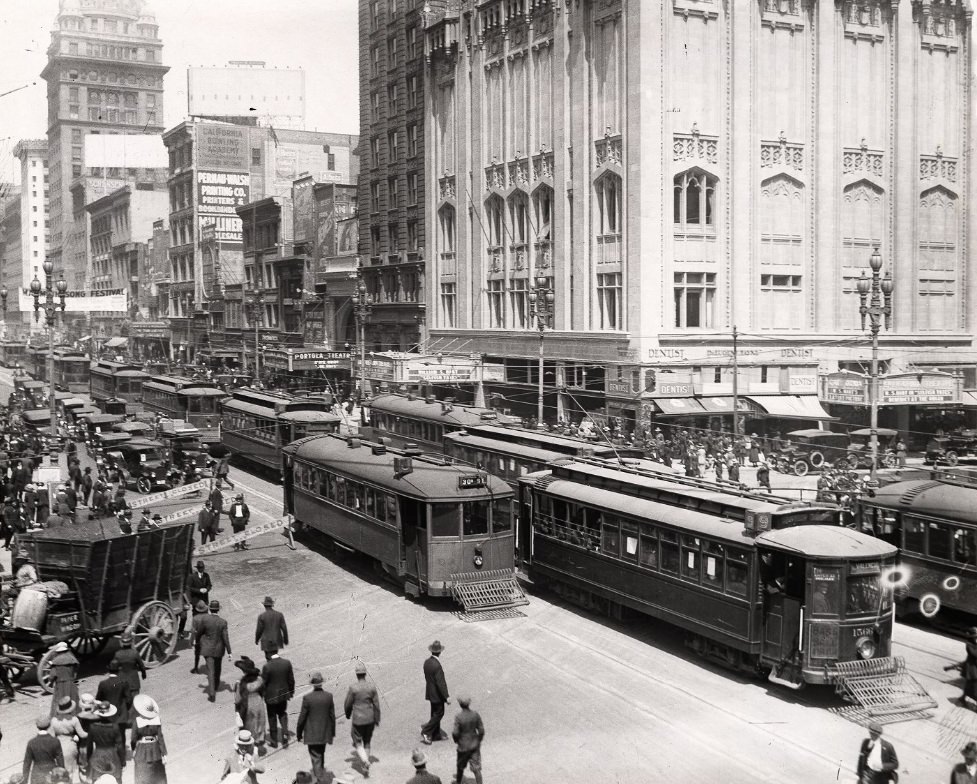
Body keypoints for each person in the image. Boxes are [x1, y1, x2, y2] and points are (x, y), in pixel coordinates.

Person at [296, 671, 335, 784]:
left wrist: (299, 734)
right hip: (324, 734)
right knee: (320, 755)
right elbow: (332, 716)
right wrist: (332, 733)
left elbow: (302, 718)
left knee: (315, 757)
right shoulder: (328, 696)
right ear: (321, 683)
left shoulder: (307, 698)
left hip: (311, 735)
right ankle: (320, 775)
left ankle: (320, 780)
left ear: (312, 684)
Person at [344, 662, 380, 776]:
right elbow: (376, 704)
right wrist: (377, 718)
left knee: (357, 741)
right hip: (370, 719)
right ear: (365, 674)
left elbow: (348, 704)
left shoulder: (353, 688)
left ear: (356, 674)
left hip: (358, 720)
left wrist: (348, 714)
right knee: (367, 741)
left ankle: (365, 761)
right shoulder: (372, 687)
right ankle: (365, 766)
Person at [194, 599, 232, 702]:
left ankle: (212, 694)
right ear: (218, 610)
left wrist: (197, 641)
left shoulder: (205, 620)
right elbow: (225, 638)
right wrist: (229, 652)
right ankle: (216, 686)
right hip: (219, 649)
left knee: (210, 670)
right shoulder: (223, 622)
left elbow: (199, 633)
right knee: (218, 668)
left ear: (210, 609)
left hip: (207, 648)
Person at [234, 656, 268, 757]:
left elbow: (238, 699)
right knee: (259, 723)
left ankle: (249, 748)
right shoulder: (259, 679)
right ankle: (258, 744)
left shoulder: (241, 683)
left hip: (248, 705)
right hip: (258, 702)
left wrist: (237, 710)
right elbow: (263, 692)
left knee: (249, 725)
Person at [50, 695, 88, 784]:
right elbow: (82, 734)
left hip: (58, 746)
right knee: (71, 770)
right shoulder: (74, 720)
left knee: (60, 771)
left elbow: (52, 736)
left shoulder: (54, 720)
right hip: (70, 745)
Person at [261, 651, 295, 750]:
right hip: (283, 695)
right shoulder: (286, 663)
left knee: (272, 718)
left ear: (268, 655)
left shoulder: (267, 666)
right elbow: (291, 680)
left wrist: (263, 694)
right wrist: (291, 692)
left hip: (271, 697)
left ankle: (274, 741)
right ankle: (285, 732)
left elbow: (263, 683)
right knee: (282, 713)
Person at [130, 694, 167, 784]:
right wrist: (164, 753)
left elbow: (133, 738)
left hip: (142, 749)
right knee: (158, 774)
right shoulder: (157, 720)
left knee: (142, 774)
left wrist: (134, 748)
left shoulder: (137, 722)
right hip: (155, 749)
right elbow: (160, 737)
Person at [95, 659, 133, 746]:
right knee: (121, 737)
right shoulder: (124, 682)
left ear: (108, 670)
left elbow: (98, 699)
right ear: (119, 669)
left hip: (108, 715)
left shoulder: (103, 684)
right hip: (121, 715)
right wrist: (124, 709)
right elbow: (129, 699)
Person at [85, 701, 125, 784]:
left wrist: (89, 759)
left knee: (97, 779)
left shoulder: (93, 727)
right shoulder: (114, 727)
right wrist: (122, 761)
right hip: (112, 755)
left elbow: (89, 746)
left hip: (98, 754)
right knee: (115, 779)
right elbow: (120, 745)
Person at [420, 640, 450, 745]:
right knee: (439, 713)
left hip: (430, 692)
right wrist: (447, 696)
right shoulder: (437, 666)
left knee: (434, 713)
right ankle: (427, 731)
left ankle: (436, 734)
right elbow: (441, 683)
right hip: (437, 695)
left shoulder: (427, 662)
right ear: (440, 652)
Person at [451, 695, 484, 784]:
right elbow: (481, 730)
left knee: (460, 767)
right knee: (477, 769)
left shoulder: (459, 717)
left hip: (463, 746)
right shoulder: (475, 714)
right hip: (474, 745)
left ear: (460, 705)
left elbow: (455, 733)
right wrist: (478, 740)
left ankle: (458, 782)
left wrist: (456, 740)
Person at [22, 716, 64, 784]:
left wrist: (24, 781)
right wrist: (62, 777)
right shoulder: (55, 741)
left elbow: (27, 763)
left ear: (37, 726)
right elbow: (60, 760)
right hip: (51, 773)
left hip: (37, 775)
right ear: (49, 725)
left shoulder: (31, 742)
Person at [48, 642, 81, 718]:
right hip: (71, 683)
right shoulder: (72, 659)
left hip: (60, 684)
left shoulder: (55, 662)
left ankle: (60, 717)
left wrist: (51, 681)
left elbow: (52, 676)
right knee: (73, 699)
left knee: (60, 701)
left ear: (58, 651)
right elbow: (75, 671)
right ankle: (75, 717)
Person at [113, 630, 147, 697]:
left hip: (122, 682)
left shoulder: (117, 654)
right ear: (131, 642)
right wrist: (144, 674)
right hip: (134, 682)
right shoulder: (135, 653)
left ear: (121, 642)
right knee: (135, 701)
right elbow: (142, 666)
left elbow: (114, 668)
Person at [255, 596, 288, 660]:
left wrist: (256, 639)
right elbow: (284, 628)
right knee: (274, 655)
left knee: (268, 657)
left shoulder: (261, 616)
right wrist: (286, 639)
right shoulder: (279, 614)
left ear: (264, 606)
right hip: (276, 640)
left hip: (266, 642)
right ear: (272, 605)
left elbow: (259, 630)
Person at [958, 627, 977, 709]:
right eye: (975, 636)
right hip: (971, 667)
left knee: (970, 684)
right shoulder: (969, 644)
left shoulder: (974, 643)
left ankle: (962, 698)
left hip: (974, 666)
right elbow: (975, 654)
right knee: (974, 685)